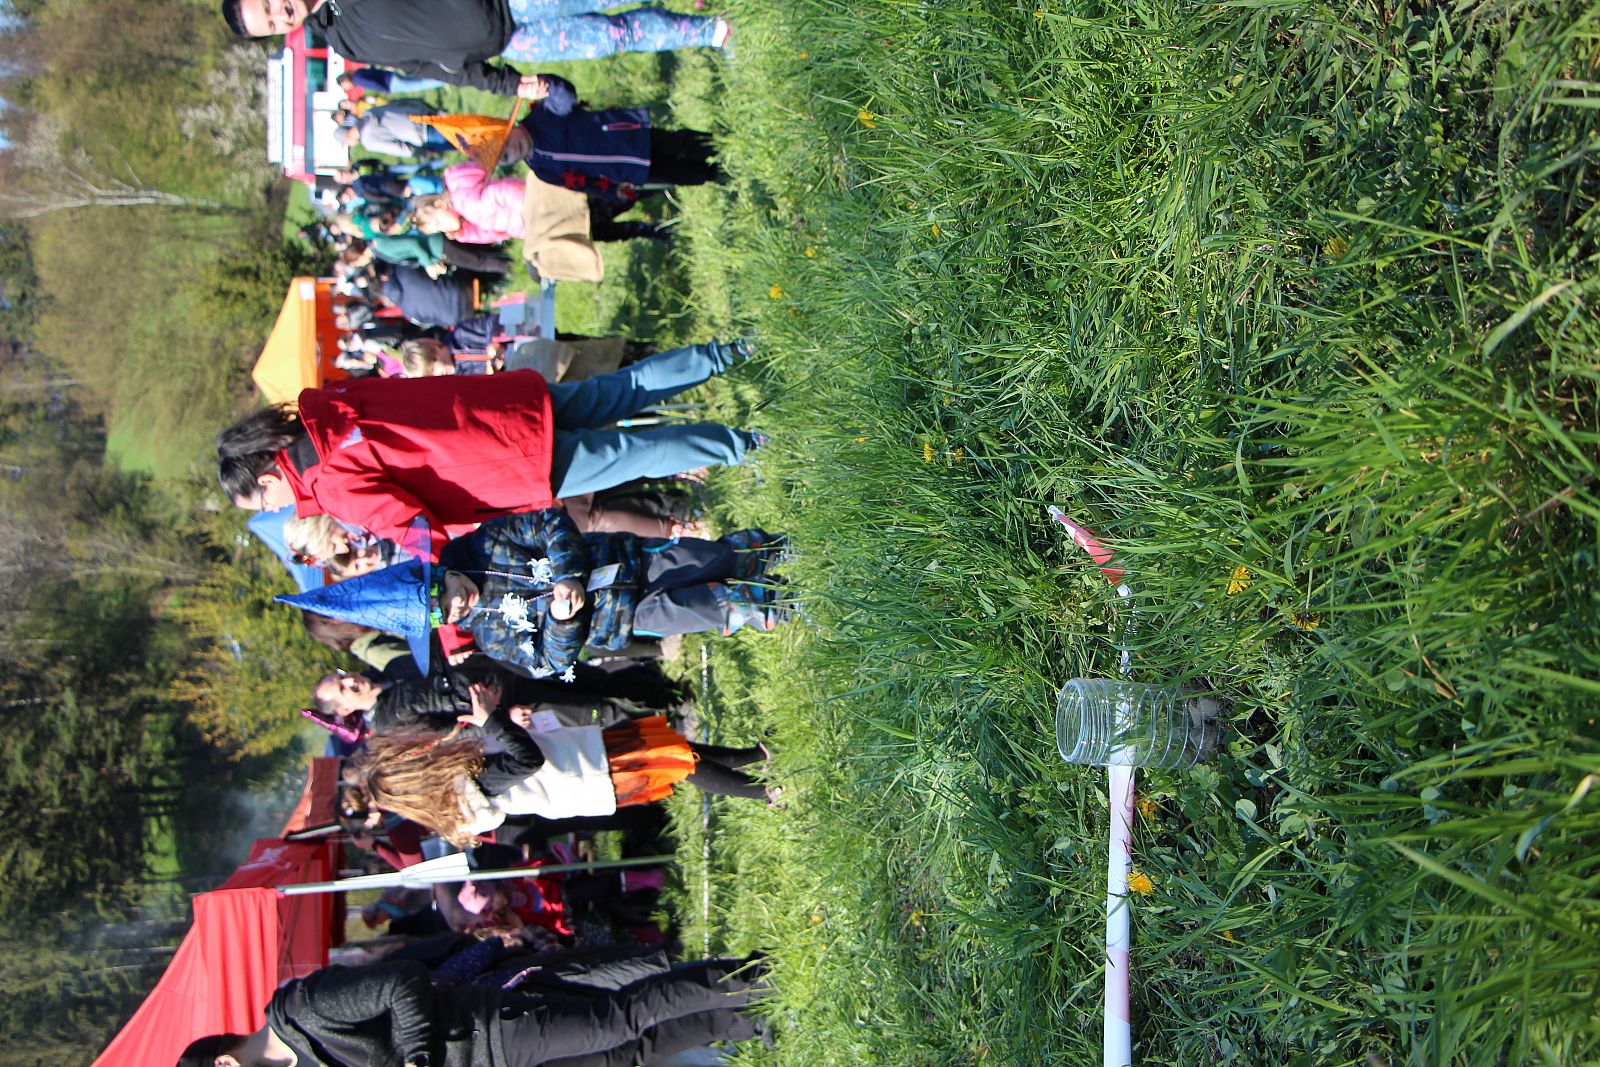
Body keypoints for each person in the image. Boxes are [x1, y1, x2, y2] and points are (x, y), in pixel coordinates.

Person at [215, 340, 760, 559]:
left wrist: (435, 568)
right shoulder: (329, 405)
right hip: (505, 407)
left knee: (636, 455)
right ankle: (731, 351)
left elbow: (412, 525)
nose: (277, 509)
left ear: (266, 479)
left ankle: (748, 443)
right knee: (622, 388)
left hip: (511, 467)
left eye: (264, 503)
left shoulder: (332, 487)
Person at [175, 955, 766, 1067]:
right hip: (491, 1065)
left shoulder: (304, 1010)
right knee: (624, 1057)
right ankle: (745, 1019)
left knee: (619, 1019)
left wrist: (418, 1058)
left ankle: (750, 979)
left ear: (224, 1064)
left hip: (490, 1030)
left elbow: (403, 981)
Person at [351, 697, 774, 850]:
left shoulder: (465, 776)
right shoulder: (472, 786)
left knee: (676, 749)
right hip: (590, 772)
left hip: (585, 760)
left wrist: (501, 722)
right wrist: (491, 719)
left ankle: (756, 756)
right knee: (679, 763)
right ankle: (768, 794)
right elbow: (526, 761)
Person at [435, 508, 787, 679]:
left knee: (715, 559)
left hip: (630, 560)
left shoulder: (488, 543)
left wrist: (568, 573)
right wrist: (561, 621)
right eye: (447, 611)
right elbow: (549, 661)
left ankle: (778, 551)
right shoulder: (491, 636)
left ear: (446, 573)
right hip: (624, 619)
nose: (457, 602)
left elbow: (551, 524)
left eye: (447, 591)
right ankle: (784, 605)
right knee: (712, 607)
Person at [221, 0, 730, 94]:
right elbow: (432, 68)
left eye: (268, 2)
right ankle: (710, 33)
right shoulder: (347, 42)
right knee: (613, 38)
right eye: (271, 22)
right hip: (513, 39)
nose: (279, 11)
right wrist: (506, 83)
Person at [501, 76, 719, 200]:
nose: (512, 149)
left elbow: (565, 96)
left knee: (678, 144)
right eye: (505, 156)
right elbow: (582, 184)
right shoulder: (542, 170)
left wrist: (547, 85)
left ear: (508, 127)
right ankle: (713, 173)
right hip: (623, 170)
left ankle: (719, 146)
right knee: (674, 174)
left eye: (505, 141)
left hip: (628, 137)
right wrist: (612, 191)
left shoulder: (543, 116)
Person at [338, 98, 446, 159]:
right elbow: (397, 104)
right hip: (422, 113)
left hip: (423, 133)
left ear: (347, 138)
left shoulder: (368, 141)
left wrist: (422, 152)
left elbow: (399, 149)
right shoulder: (367, 114)